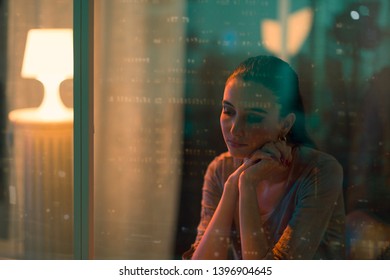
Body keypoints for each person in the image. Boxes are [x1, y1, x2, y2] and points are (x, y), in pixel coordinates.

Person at [183, 55, 345, 260]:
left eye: (253, 117)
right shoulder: (221, 169)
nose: (234, 129)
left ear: (285, 124)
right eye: (228, 111)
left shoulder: (320, 171)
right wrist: (233, 185)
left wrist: (248, 185)